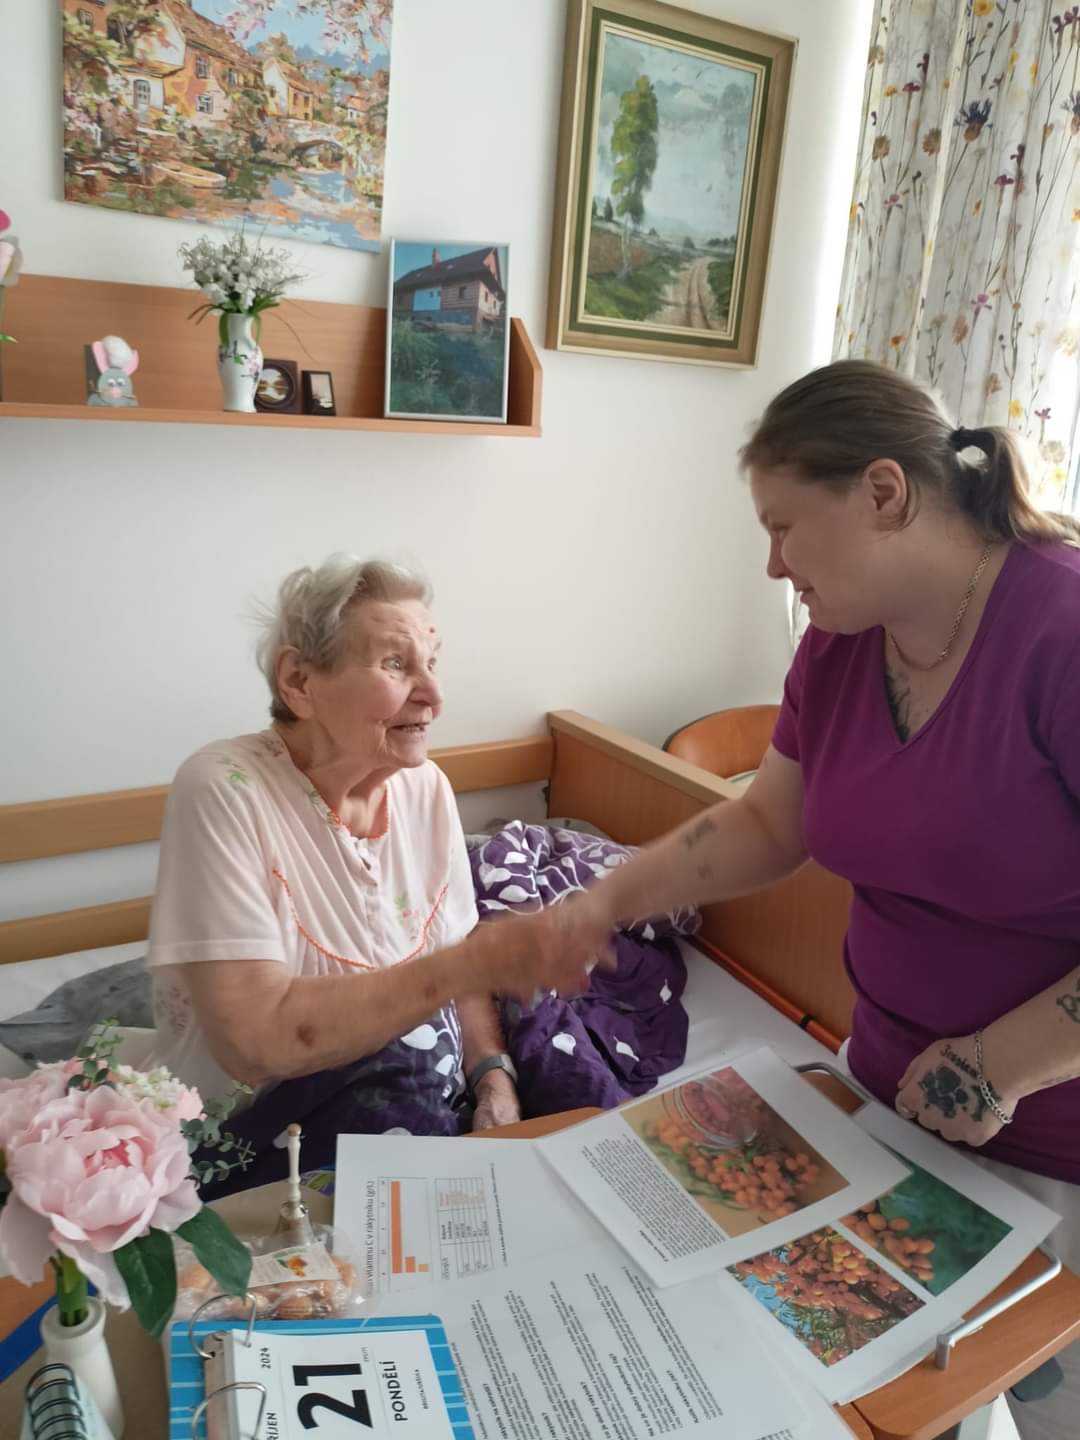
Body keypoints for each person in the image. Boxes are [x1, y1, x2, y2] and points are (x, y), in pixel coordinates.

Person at [566, 360, 1080, 1440]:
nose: (772, 564)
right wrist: (598, 902)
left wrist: (1000, 1066)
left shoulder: (1062, 631)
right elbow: (765, 825)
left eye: (784, 527)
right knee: (892, 1409)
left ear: (884, 493)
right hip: (889, 1097)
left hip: (1058, 1141)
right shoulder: (841, 648)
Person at [146, 556, 595, 1190]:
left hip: (420, 1097)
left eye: (432, 663)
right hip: (255, 1131)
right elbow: (254, 1040)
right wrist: (469, 966)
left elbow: (454, 956)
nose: (434, 694)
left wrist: (492, 1080)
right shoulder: (224, 789)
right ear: (300, 681)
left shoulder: (425, 786)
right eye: (395, 664)